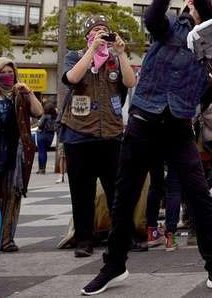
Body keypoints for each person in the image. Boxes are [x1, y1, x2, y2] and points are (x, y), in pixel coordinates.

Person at [81, 0, 212, 295]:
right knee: (124, 197)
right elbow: (151, 18)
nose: (197, 4)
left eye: (205, 0)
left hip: (179, 125)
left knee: (199, 196)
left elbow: (207, 18)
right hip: (144, 120)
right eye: (194, 0)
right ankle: (114, 266)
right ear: (184, 7)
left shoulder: (211, 37)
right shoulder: (168, 27)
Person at [62, 15, 137, 258]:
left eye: (105, 31)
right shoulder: (74, 56)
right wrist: (92, 50)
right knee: (81, 192)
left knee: (116, 191)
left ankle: (122, 237)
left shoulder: (114, 61)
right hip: (79, 134)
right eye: (95, 31)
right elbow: (72, 78)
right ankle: (84, 239)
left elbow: (130, 81)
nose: (101, 35)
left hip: (111, 134)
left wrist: (122, 53)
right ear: (87, 36)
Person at [0, 57, 44, 251]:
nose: (7, 76)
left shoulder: (20, 94)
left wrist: (29, 92)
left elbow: (38, 112)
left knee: (12, 196)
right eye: (2, 73)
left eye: (10, 72)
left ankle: (6, 240)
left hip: (16, 154)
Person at [36, 102, 58, 174]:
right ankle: (42, 169)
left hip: (42, 134)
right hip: (50, 136)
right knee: (44, 152)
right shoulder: (55, 116)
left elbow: (40, 125)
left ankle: (41, 169)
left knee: (41, 152)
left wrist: (38, 124)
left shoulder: (45, 116)